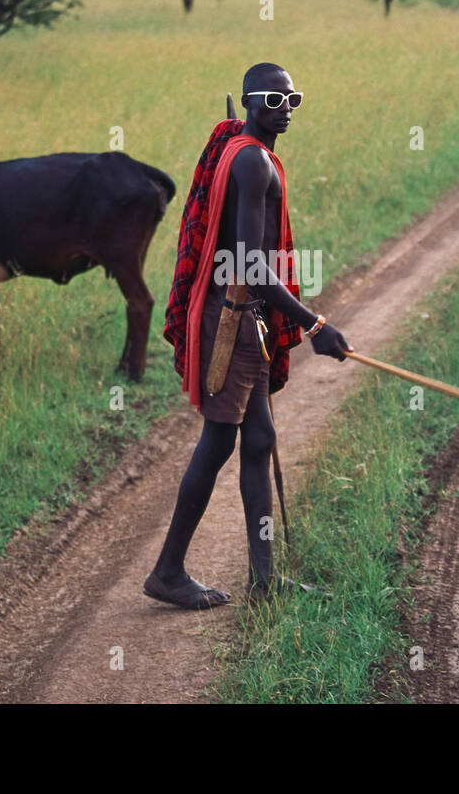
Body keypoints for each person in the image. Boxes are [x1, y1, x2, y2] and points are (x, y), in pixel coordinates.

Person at [147, 62, 350, 609]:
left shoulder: (243, 151)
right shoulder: (253, 163)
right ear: (253, 103)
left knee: (257, 441)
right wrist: (314, 325)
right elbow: (249, 263)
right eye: (279, 99)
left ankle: (264, 579)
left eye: (295, 99)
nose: (288, 109)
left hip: (246, 317)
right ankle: (167, 571)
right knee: (218, 443)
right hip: (233, 317)